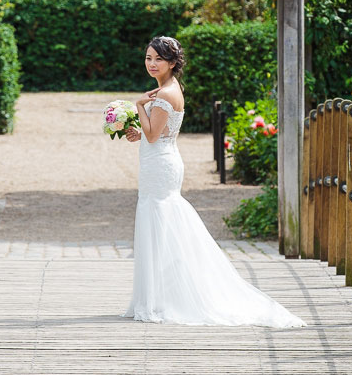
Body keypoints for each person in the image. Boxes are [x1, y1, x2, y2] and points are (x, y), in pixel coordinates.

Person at [122, 35, 306, 328]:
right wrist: (136, 130)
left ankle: (165, 297)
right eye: (148, 58)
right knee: (162, 225)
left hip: (160, 166)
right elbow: (156, 132)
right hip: (160, 162)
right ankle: (158, 295)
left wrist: (138, 106)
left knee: (159, 221)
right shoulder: (166, 90)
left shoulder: (166, 94)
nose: (152, 63)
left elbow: (155, 134)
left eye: (158, 59)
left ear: (172, 63)